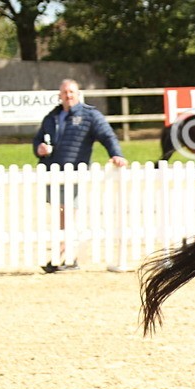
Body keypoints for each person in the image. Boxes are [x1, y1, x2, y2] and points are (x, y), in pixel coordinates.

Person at [32, 79, 128, 272]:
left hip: (74, 173)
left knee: (68, 214)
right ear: (60, 95)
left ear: (78, 94)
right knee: (61, 215)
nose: (68, 96)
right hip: (53, 172)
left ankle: (63, 256)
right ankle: (66, 256)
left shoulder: (89, 115)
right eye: (65, 92)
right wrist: (39, 149)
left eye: (71, 92)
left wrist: (116, 154)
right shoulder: (52, 117)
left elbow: (107, 135)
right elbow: (38, 140)